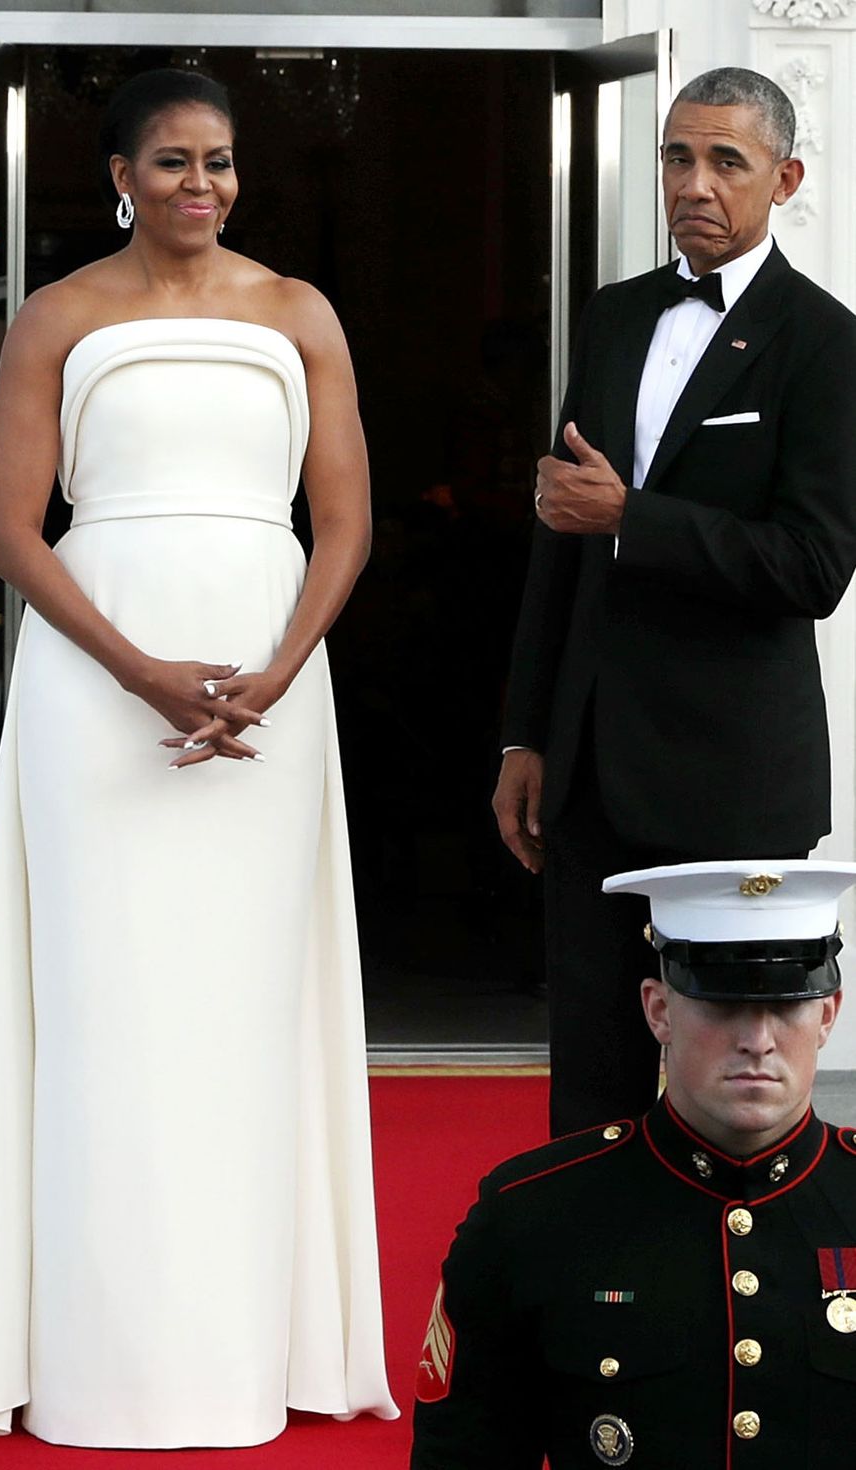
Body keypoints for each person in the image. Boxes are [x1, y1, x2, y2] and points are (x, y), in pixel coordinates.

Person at [0, 68, 397, 1447]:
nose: (201, 185)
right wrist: (138, 669)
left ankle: (245, 1353)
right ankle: (92, 1356)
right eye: (172, 160)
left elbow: (343, 520)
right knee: (104, 999)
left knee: (241, 1009)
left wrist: (282, 668)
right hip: (93, 696)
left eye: (220, 162)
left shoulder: (299, 313)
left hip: (270, 702)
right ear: (119, 174)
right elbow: (11, 531)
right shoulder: (60, 315)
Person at [492, 67, 856, 1137]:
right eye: (675, 157)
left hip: (735, 772)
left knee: (739, 1075)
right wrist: (524, 732)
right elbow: (558, 541)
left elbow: (812, 567)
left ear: (783, 178)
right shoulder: (610, 320)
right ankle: (584, 1292)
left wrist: (631, 518)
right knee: (590, 1071)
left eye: (724, 162)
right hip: (591, 759)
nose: (692, 183)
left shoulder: (824, 343)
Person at [411, 858, 856, 1468]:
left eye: (787, 1005)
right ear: (659, 1011)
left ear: (827, 1014)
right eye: (722, 1005)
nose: (758, 1038)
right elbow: (461, 1455)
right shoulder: (533, 1216)